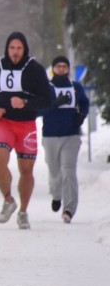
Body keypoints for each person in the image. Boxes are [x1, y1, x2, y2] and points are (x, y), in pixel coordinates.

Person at [0, 32, 52, 230]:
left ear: (25, 49)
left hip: (27, 125)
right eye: (12, 48)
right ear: (7, 49)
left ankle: (23, 212)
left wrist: (26, 102)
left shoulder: (35, 70)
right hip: (4, 123)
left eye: (19, 48)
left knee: (26, 170)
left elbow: (48, 99)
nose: (15, 52)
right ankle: (8, 199)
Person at [41, 56, 89, 223]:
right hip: (50, 136)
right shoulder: (47, 88)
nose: (61, 69)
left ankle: (69, 209)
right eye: (58, 66)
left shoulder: (75, 87)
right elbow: (40, 110)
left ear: (68, 69)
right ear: (53, 69)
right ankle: (56, 195)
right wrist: (55, 103)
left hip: (71, 135)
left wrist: (81, 115)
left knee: (68, 170)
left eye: (64, 66)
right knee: (55, 171)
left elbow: (84, 103)